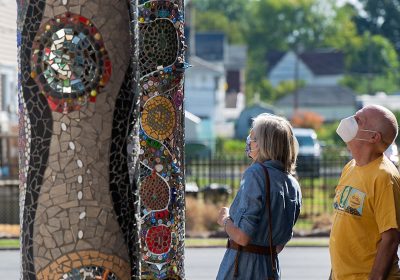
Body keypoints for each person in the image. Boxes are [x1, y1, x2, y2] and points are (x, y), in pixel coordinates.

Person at [216, 113, 302, 279]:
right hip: (270, 269)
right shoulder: (293, 184)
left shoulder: (256, 173)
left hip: (242, 269)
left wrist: (225, 220)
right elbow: (279, 245)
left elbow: (242, 236)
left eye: (253, 137)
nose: (249, 140)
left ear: (266, 144)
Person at [330, 105, 400, 280]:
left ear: (373, 137)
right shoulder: (350, 167)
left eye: (358, 120)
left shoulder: (384, 177)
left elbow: (391, 238)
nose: (350, 120)